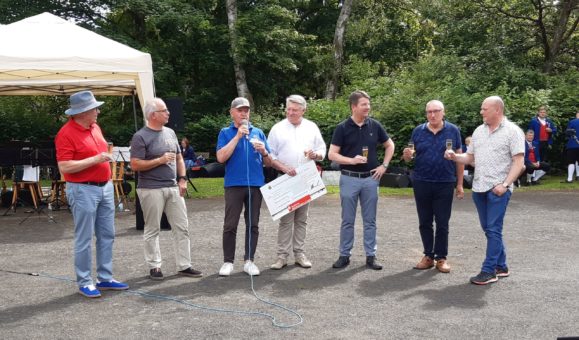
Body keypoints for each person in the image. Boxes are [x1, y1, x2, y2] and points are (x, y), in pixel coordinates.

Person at [55, 90, 128, 298]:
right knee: (84, 237)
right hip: (82, 189)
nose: (97, 111)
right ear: (82, 112)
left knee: (107, 234)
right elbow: (65, 166)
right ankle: (85, 281)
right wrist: (96, 159)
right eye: (94, 108)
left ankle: (105, 278)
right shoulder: (66, 133)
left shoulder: (94, 127)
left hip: (104, 186)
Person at [445, 96, 524, 285]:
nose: (481, 112)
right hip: (479, 187)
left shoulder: (513, 131)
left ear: (497, 110)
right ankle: (501, 266)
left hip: (498, 189)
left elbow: (519, 163)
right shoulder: (479, 131)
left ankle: (489, 270)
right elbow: (470, 158)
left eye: (484, 109)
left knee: (493, 228)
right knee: (489, 229)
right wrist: (455, 157)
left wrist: (504, 185)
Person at [130, 98, 202, 281]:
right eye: (164, 111)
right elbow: (135, 164)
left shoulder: (170, 133)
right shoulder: (140, 136)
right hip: (150, 189)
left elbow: (179, 158)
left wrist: (183, 179)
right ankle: (155, 266)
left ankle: (184, 265)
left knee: (182, 227)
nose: (168, 113)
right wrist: (159, 160)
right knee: (153, 228)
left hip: (172, 187)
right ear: (153, 115)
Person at [328, 90, 395, 270]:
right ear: (354, 106)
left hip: (370, 180)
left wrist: (384, 166)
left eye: (368, 104)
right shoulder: (342, 128)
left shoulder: (375, 125)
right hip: (349, 178)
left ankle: (371, 256)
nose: (368, 107)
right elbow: (331, 154)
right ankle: (344, 255)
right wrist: (351, 160)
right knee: (347, 220)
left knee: (370, 220)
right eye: (364, 104)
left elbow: (390, 145)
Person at [402, 100, 464, 273]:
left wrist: (459, 184)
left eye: (436, 111)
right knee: (424, 222)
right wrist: (407, 155)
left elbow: (460, 159)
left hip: (445, 182)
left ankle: (441, 258)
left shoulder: (453, 130)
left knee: (443, 222)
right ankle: (428, 256)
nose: (432, 115)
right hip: (422, 181)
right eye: (429, 112)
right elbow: (409, 156)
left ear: (443, 112)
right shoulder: (418, 131)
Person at [267, 95, 326, 270]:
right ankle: (281, 256)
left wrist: (316, 155)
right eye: (289, 109)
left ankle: (299, 253)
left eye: (295, 110)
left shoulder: (312, 127)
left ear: (303, 110)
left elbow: (323, 149)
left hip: (306, 177)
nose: (291, 112)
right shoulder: (277, 128)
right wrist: (283, 167)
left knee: (301, 219)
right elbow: (269, 155)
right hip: (285, 178)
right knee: (286, 219)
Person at [216, 97, 273, 276]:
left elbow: (269, 162)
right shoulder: (225, 132)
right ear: (232, 112)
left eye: (246, 110)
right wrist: (238, 136)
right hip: (234, 184)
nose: (244, 113)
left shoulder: (259, 132)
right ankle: (228, 262)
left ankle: (249, 260)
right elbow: (221, 158)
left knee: (253, 224)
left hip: (255, 184)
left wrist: (263, 151)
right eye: (240, 110)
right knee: (230, 224)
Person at [563, 110, 579, 183]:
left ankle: (569, 179)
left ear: (577, 114)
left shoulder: (572, 122)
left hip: (573, 145)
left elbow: (567, 133)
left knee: (571, 162)